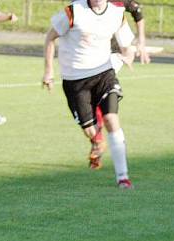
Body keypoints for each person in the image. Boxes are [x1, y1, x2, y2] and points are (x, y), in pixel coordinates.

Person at [43, 0, 135, 189]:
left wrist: (128, 55)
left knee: (112, 118)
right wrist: (48, 71)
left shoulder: (117, 13)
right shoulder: (74, 11)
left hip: (104, 73)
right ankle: (97, 139)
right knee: (91, 132)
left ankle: (123, 177)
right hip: (75, 79)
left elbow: (126, 44)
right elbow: (50, 37)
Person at [91, 0, 150, 159]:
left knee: (98, 93)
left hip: (114, 53)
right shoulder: (81, 4)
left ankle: (98, 139)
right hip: (91, 53)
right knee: (90, 96)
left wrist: (141, 42)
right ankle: (97, 138)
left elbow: (137, 11)